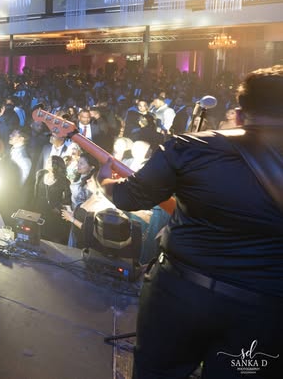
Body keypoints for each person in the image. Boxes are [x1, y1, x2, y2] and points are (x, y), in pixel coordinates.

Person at [100, 66, 283, 378]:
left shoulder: (190, 148)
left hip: (179, 295)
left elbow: (129, 199)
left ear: (239, 114)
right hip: (265, 313)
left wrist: (104, 180)